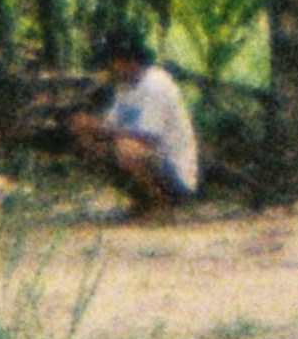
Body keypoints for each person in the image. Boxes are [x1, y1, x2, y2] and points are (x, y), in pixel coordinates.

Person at [73, 19, 204, 215]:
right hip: (150, 160)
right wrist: (87, 125)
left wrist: (99, 127)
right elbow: (111, 124)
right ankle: (142, 200)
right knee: (90, 142)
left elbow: (148, 136)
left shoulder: (155, 84)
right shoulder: (125, 87)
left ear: (128, 60)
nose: (110, 69)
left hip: (174, 170)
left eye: (112, 62)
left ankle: (162, 205)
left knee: (127, 149)